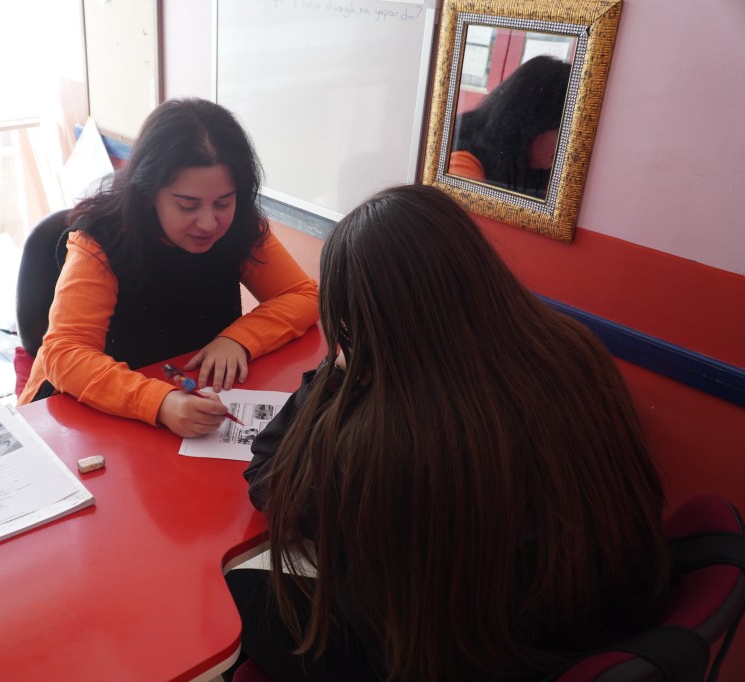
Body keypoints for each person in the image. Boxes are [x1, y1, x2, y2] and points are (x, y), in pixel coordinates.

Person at [225, 184, 670, 681]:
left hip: (455, 661)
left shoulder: (389, 437)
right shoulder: (571, 352)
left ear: (362, 324)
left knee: (239, 594)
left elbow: (271, 480)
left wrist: (337, 369)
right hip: (590, 632)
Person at [17, 98, 319, 438]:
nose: (209, 223)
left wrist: (238, 340)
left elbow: (302, 294)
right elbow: (65, 353)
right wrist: (159, 402)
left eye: (224, 202)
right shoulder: (102, 240)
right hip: (90, 410)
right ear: (148, 194)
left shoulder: (241, 227)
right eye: (187, 205)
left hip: (187, 388)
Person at [449, 55, 572, 198]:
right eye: (561, 131)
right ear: (533, 123)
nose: (567, 145)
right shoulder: (465, 159)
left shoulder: (541, 165)